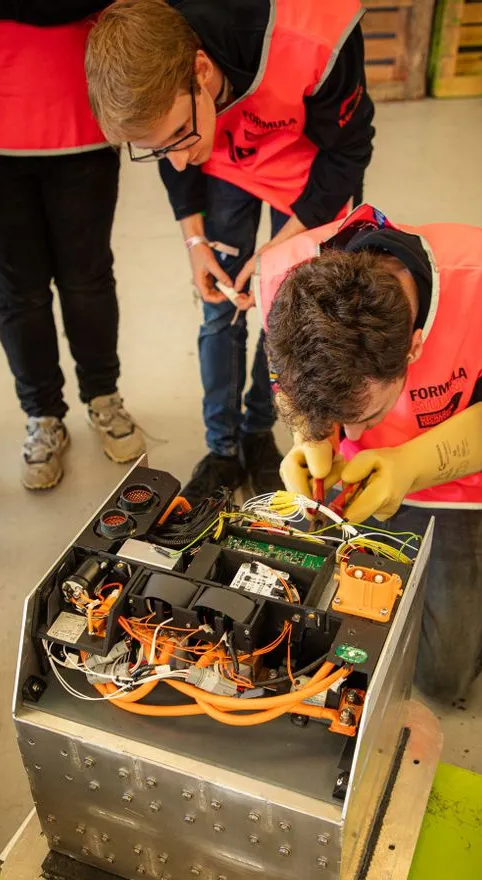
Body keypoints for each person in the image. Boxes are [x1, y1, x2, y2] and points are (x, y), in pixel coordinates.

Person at [84, 0, 374, 503]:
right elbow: (170, 145)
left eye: (177, 135)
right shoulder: (158, 47)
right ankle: (222, 451)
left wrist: (280, 250)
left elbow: (348, 150)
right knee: (220, 307)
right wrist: (194, 241)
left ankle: (259, 432)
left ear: (200, 68)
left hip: (312, 160)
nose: (175, 161)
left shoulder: (318, 37)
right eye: (160, 147)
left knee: (288, 311)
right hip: (225, 155)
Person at [261, 204, 482, 703]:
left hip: (460, 487)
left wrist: (412, 466)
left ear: (413, 349)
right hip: (349, 478)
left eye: (366, 415)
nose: (350, 429)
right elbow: (287, 386)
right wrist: (310, 437)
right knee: (300, 630)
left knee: (443, 679)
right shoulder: (283, 274)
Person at [0, 1, 145, 490]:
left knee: (87, 276)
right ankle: (43, 415)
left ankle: (103, 397)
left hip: (78, 108)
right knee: (15, 288)